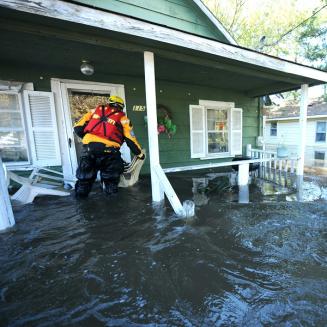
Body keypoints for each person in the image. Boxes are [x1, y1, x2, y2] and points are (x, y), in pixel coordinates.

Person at [73, 95, 144, 197]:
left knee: (84, 179)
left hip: (89, 150)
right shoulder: (124, 119)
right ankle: (112, 207)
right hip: (110, 152)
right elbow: (130, 140)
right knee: (111, 181)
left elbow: (77, 128)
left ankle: (80, 205)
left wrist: (90, 139)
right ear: (121, 107)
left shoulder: (94, 112)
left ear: (109, 103)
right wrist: (140, 154)